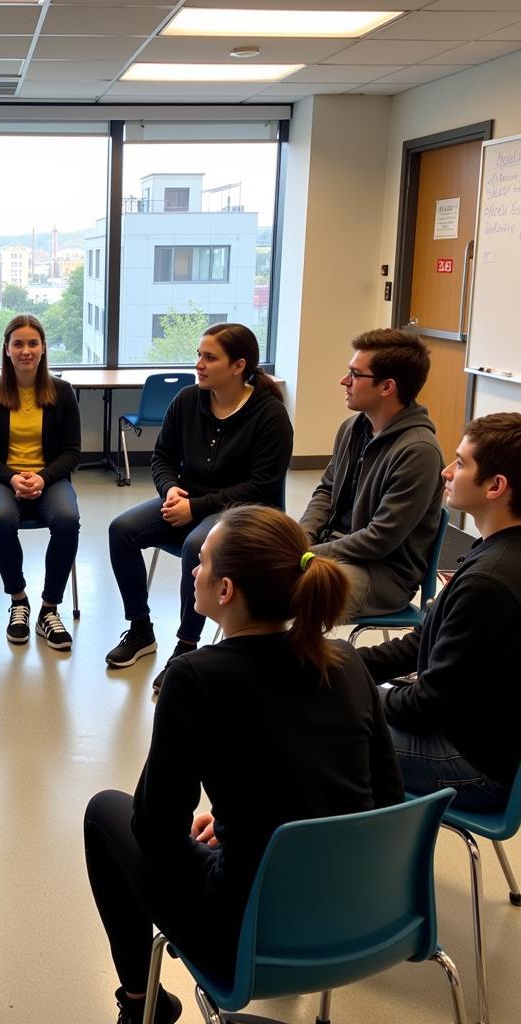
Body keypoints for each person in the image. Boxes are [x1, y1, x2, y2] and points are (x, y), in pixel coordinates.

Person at [85, 505, 403, 1024]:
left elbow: (155, 832)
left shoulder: (195, 678)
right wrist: (240, 824)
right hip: (365, 918)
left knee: (105, 814)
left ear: (227, 590)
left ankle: (142, 1004)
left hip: (248, 936)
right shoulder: (347, 661)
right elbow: (385, 802)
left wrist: (237, 833)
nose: (193, 570)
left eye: (203, 561)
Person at [105, 323, 292, 687]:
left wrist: (197, 507)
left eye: (209, 358)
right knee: (121, 530)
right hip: (187, 500)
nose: (199, 365)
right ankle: (141, 630)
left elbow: (261, 485)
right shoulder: (188, 400)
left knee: (197, 547)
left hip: (242, 512)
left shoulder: (269, 414)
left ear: (238, 366)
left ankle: (186, 646)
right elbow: (161, 457)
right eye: (198, 355)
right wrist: (170, 489)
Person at [360, 413, 521, 810]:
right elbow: (424, 643)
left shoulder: (490, 582)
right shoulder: (495, 552)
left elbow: (429, 705)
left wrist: (355, 694)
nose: (447, 472)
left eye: (462, 463)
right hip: (474, 733)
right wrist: (342, 664)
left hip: (473, 762)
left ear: (496, 486)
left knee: (312, 727)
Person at [299, 328, 444, 617]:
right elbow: (326, 491)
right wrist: (301, 539)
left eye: (355, 374)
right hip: (334, 549)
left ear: (387, 387)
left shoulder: (418, 451)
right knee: (254, 568)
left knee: (282, 590)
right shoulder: (352, 429)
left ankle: (293, 663)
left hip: (382, 574)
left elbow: (379, 540)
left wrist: (306, 556)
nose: (344, 381)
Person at [0, 314, 81, 650]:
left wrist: (42, 479)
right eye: (18, 344)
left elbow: (72, 451)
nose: (26, 350)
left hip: (49, 478)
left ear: (44, 348)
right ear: (6, 349)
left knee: (67, 519)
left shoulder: (62, 392)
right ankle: (18, 600)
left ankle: (49, 609)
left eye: (33, 343)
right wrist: (13, 478)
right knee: (2, 519)